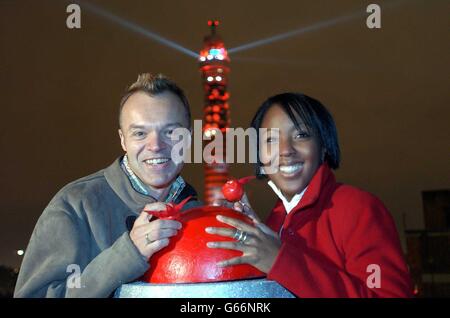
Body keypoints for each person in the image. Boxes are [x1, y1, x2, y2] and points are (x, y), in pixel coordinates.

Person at [206, 92, 413, 297]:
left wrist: (282, 261)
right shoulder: (274, 221)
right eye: (270, 139)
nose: (286, 150)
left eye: (301, 135)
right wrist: (250, 231)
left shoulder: (358, 209)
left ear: (323, 146)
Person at [14, 73, 201, 298]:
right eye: (140, 133)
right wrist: (127, 255)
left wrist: (248, 251)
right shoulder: (74, 205)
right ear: (123, 140)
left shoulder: (199, 213)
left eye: (170, 132)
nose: (156, 146)